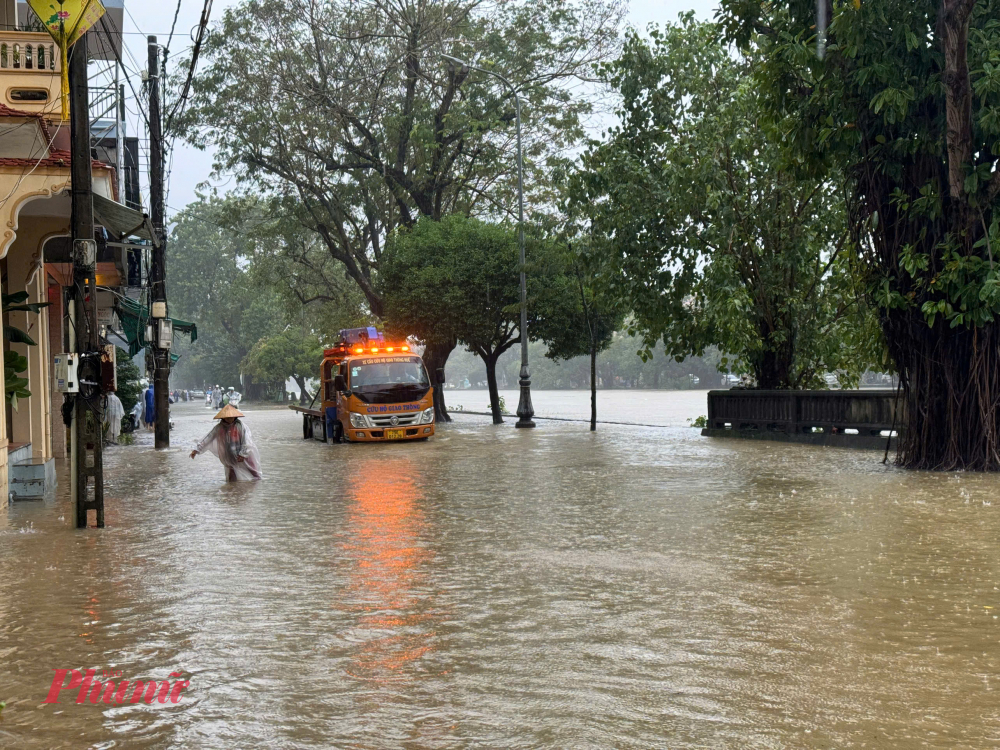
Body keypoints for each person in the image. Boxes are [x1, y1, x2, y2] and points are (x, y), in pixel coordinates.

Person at [190, 404, 262, 481]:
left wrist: (243, 453)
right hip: (229, 453)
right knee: (231, 474)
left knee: (253, 471)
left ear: (235, 416)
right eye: (227, 417)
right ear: (223, 418)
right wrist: (197, 449)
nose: (229, 419)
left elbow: (247, 440)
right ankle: (231, 490)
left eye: (231, 417)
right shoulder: (219, 427)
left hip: (242, 452)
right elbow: (208, 437)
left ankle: (257, 485)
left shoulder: (241, 426)